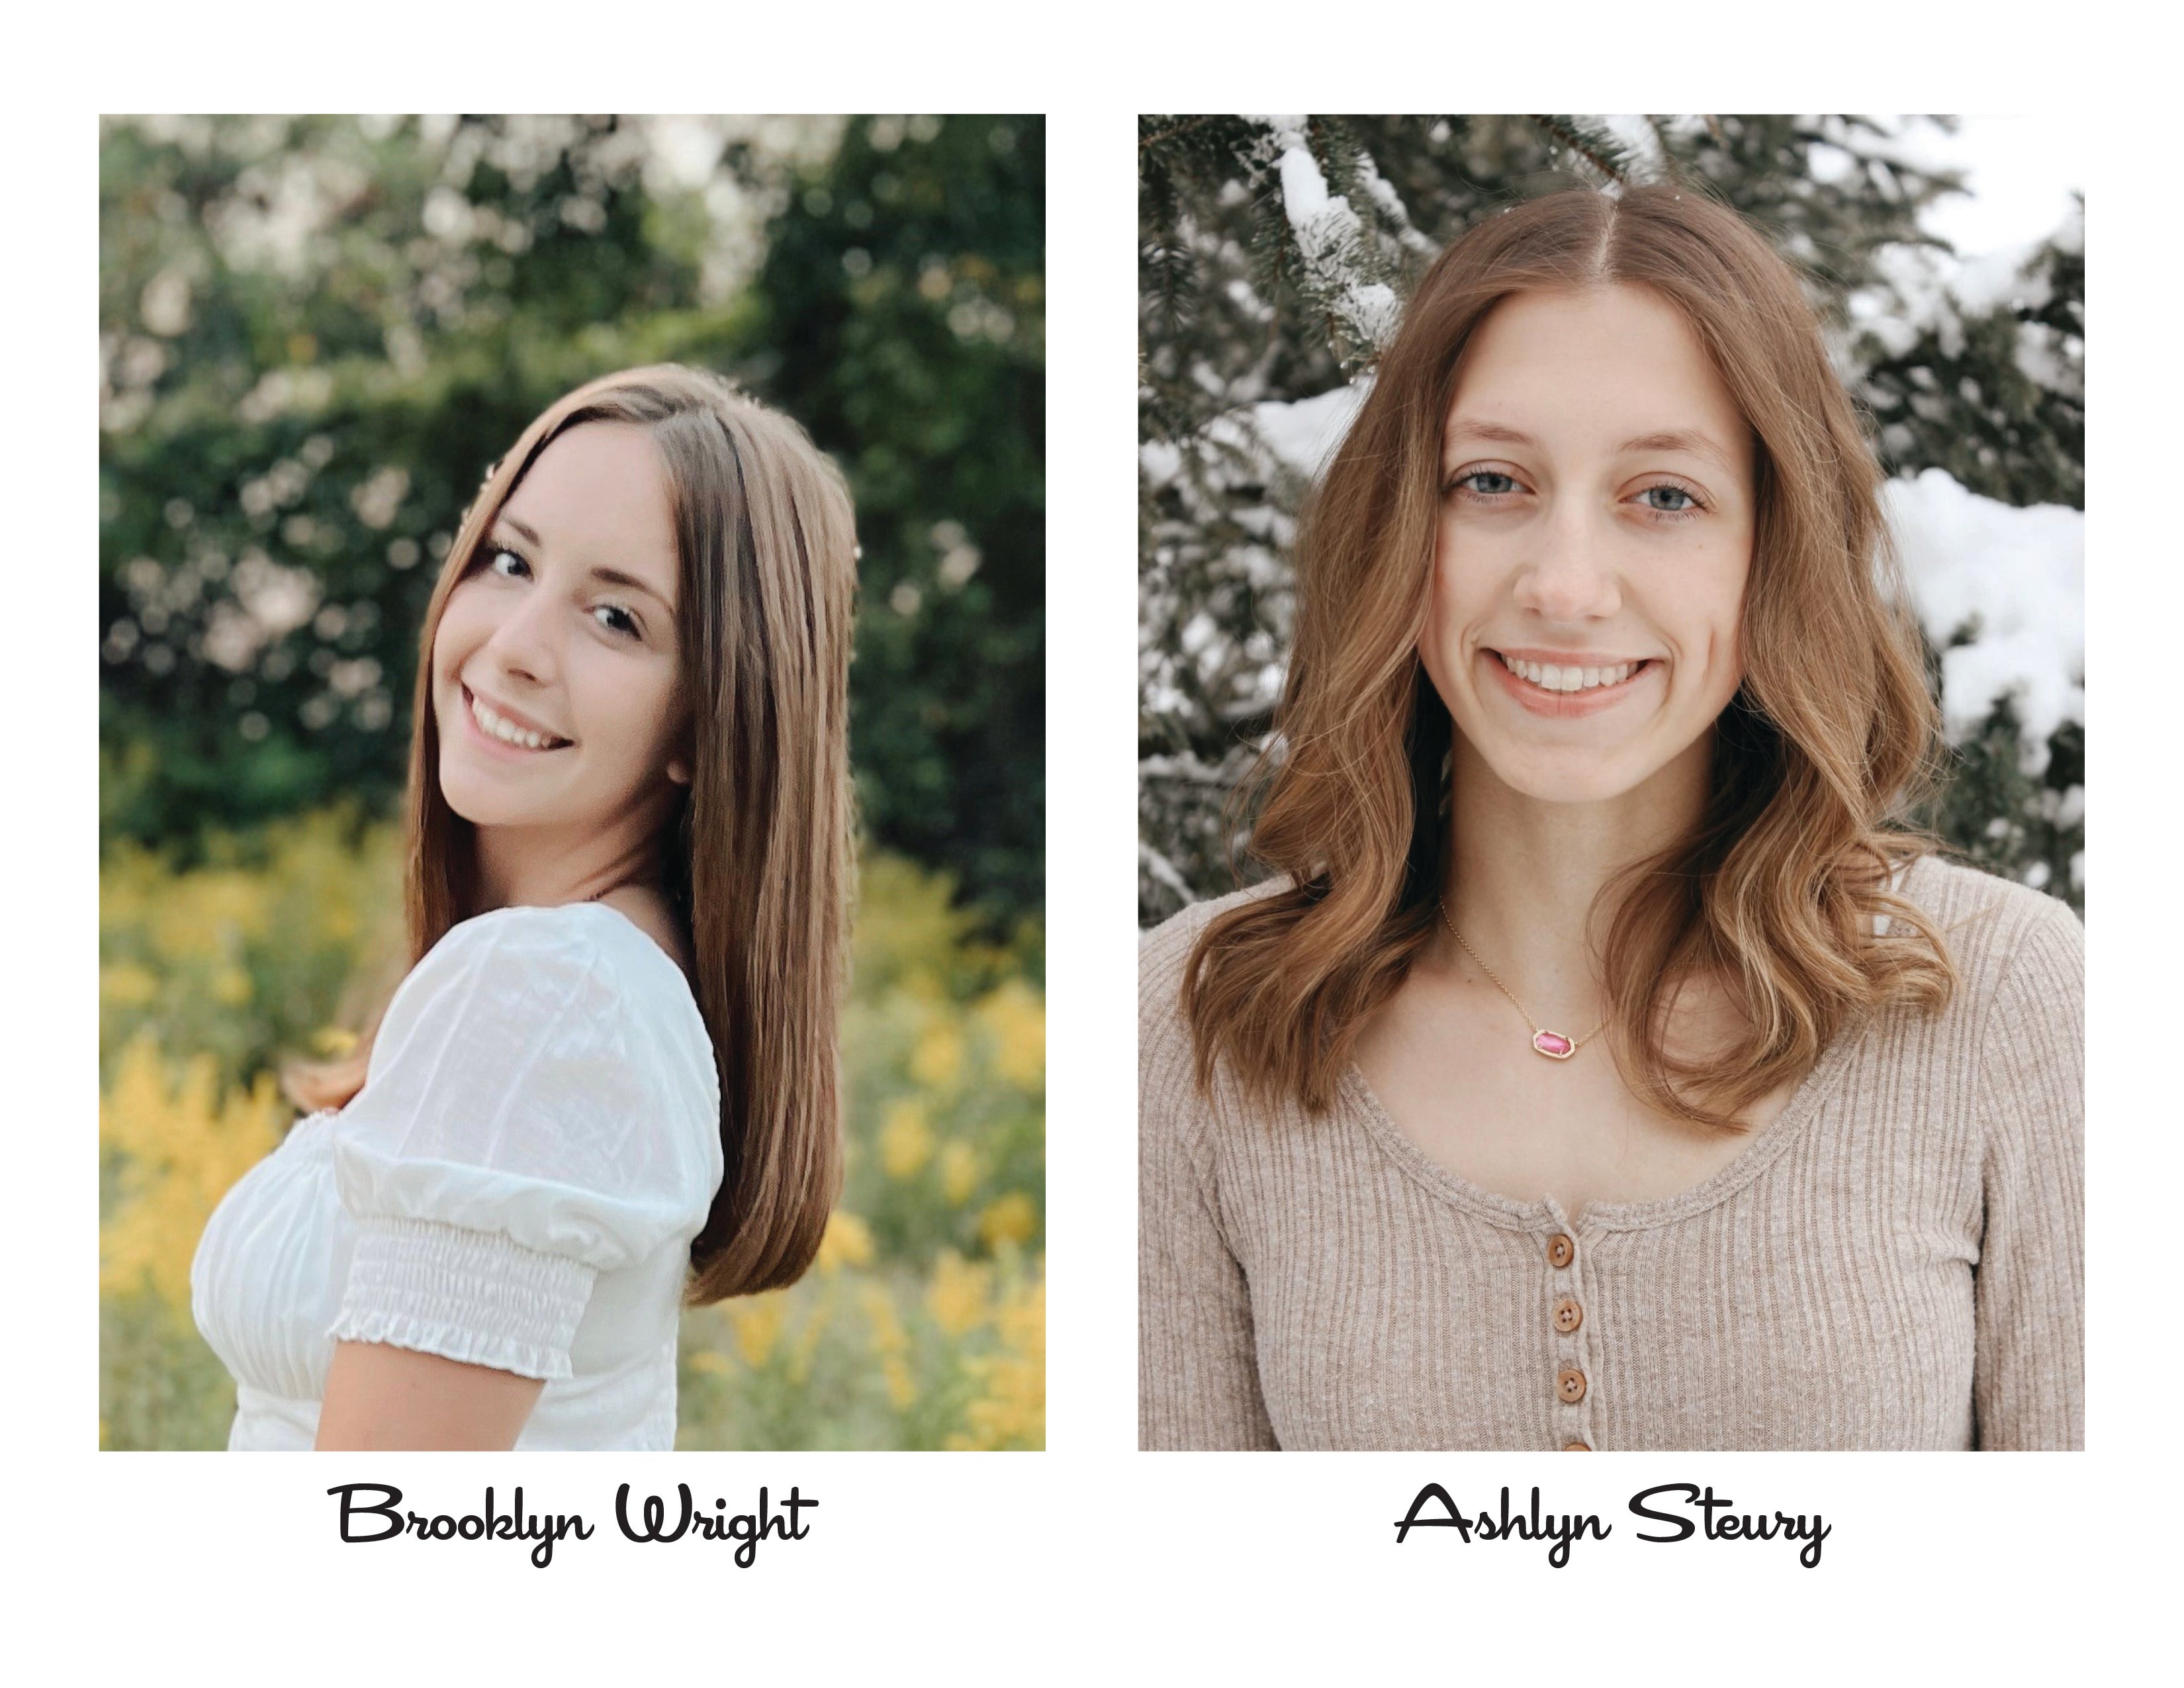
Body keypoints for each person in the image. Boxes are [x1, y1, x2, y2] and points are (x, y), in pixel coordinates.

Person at [1138, 185, 2083, 1452]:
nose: (1566, 585)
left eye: (1665, 497)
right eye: (1492, 481)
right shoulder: (1187, 1031)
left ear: (1774, 548)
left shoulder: (2013, 1002)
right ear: (1405, 527)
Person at [192, 365, 857, 1450]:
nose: (512, 646)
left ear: (709, 719)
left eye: (613, 617)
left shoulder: (548, 1001)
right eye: (509, 561)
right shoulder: (583, 979)